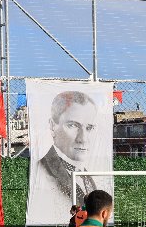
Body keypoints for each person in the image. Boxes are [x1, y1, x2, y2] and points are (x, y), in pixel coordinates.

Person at [36, 91, 99, 220]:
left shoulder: (88, 176)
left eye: (89, 127)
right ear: (53, 126)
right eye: (73, 125)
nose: (83, 139)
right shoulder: (43, 171)